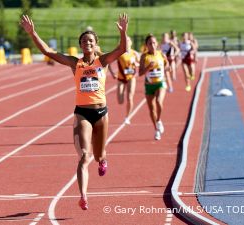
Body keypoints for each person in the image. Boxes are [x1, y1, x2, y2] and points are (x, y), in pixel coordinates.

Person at [20, 13, 128, 210]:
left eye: (90, 41)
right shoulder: (74, 63)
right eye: (84, 41)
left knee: (98, 155)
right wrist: (33, 33)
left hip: (102, 114)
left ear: (95, 44)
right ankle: (83, 195)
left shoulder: (102, 61)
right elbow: (48, 51)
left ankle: (103, 159)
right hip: (82, 114)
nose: (87, 43)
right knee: (84, 156)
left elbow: (122, 49)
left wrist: (123, 32)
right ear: (80, 45)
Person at [139, 34, 170, 140]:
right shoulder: (144, 56)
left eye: (154, 42)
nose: (152, 45)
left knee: (158, 102)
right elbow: (140, 73)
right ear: (146, 45)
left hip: (160, 83)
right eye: (150, 43)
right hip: (149, 85)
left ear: (157, 43)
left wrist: (167, 67)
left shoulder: (161, 54)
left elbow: (167, 66)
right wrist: (148, 67)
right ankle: (156, 129)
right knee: (152, 109)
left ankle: (159, 120)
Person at [108, 36, 140, 125]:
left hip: (131, 78)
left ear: (131, 43)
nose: (127, 42)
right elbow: (109, 61)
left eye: (128, 40)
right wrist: (112, 73)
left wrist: (137, 64)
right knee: (120, 101)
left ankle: (127, 117)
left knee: (130, 97)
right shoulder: (120, 53)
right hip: (121, 79)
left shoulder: (135, 53)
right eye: (125, 41)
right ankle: (127, 115)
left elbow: (140, 64)